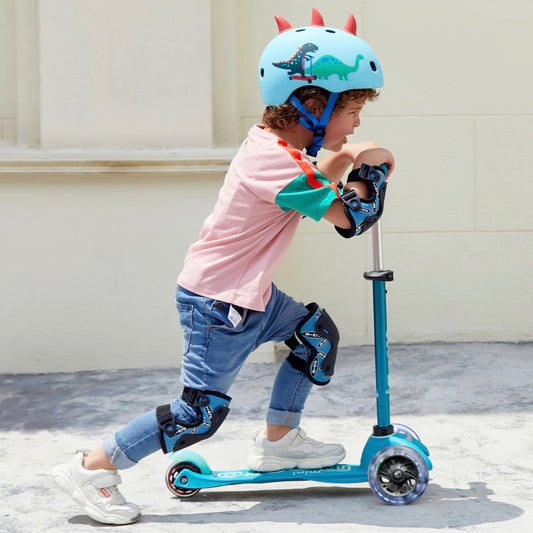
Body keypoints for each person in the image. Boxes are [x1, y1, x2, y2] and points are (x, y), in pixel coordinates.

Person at [52, 8, 395, 525]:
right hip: (219, 303)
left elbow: (317, 177)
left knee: (316, 336)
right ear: (313, 105)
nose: (357, 123)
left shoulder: (278, 149)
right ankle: (91, 469)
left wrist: (349, 158)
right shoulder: (275, 162)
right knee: (197, 414)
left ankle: (279, 442)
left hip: (248, 293)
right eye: (352, 110)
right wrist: (372, 170)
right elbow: (352, 218)